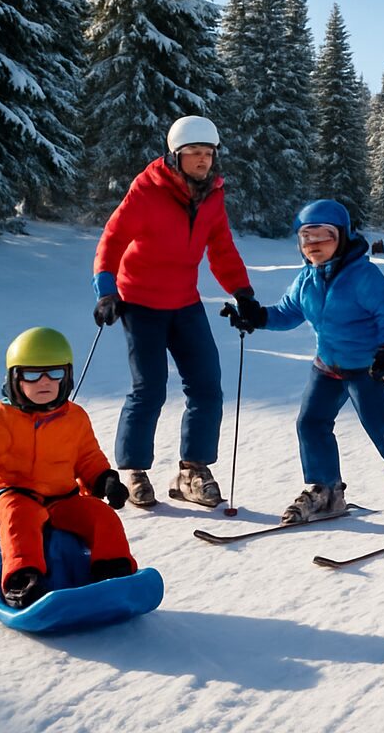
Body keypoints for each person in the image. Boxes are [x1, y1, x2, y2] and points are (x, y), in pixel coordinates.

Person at [227, 200, 384, 539]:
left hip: (365, 369)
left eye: (323, 236)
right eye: (306, 237)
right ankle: (326, 492)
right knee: (310, 422)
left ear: (342, 237)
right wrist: (257, 317)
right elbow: (287, 313)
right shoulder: (306, 279)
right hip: (327, 367)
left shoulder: (364, 277)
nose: (314, 244)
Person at [93, 116, 261, 509]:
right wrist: (106, 291)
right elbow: (112, 240)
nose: (203, 161)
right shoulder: (146, 190)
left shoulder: (213, 196)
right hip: (139, 302)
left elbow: (221, 247)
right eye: (194, 154)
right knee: (149, 388)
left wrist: (243, 292)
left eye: (208, 153)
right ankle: (133, 470)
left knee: (206, 385)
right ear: (176, 155)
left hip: (185, 301)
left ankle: (193, 470)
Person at [0, 328, 136, 608]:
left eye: (54, 373)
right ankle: (22, 581)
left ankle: (111, 572)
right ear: (15, 378)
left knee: (101, 515)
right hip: (14, 495)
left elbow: (88, 457)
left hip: (63, 497)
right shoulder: (3, 419)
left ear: (66, 377)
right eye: (32, 374)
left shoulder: (74, 417)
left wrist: (105, 480)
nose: (44, 382)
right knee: (20, 518)